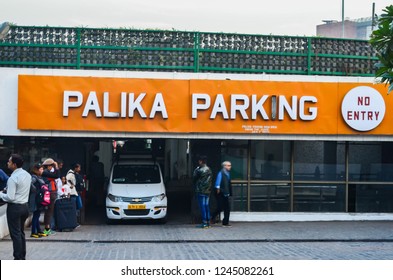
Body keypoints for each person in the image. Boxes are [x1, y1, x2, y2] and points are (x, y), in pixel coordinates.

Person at [0, 154, 31, 260]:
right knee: (21, 233)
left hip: (14, 208)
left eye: (9, 161)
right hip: (25, 207)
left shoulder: (13, 178)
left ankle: (18, 257)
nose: (7, 163)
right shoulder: (27, 175)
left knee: (15, 234)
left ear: (14, 164)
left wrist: (0, 194)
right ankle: (22, 256)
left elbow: (10, 197)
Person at [42, 158, 61, 235]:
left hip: (51, 192)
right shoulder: (46, 173)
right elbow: (57, 175)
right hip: (50, 193)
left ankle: (48, 228)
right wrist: (56, 166)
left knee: (49, 211)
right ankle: (47, 229)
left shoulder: (47, 172)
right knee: (49, 211)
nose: (52, 168)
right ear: (49, 166)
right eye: (52, 166)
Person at [192, 155, 212, 229]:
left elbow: (194, 178)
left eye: (199, 161)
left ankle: (204, 223)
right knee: (206, 206)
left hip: (201, 190)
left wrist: (196, 169)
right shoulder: (209, 169)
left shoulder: (199, 170)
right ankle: (208, 222)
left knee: (202, 206)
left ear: (201, 161)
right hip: (208, 191)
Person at [211, 161, 232, 227]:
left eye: (230, 165)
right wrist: (218, 190)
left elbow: (228, 184)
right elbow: (217, 183)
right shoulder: (221, 173)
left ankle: (225, 222)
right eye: (228, 165)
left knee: (227, 208)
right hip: (220, 193)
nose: (229, 167)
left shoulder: (228, 174)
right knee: (220, 207)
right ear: (224, 166)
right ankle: (212, 218)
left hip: (225, 193)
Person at [29, 163, 47, 238]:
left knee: (37, 215)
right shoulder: (34, 177)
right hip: (36, 199)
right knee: (36, 215)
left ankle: (39, 231)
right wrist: (35, 190)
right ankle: (33, 232)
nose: (42, 170)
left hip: (39, 199)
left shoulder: (39, 177)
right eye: (41, 169)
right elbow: (29, 184)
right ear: (37, 170)